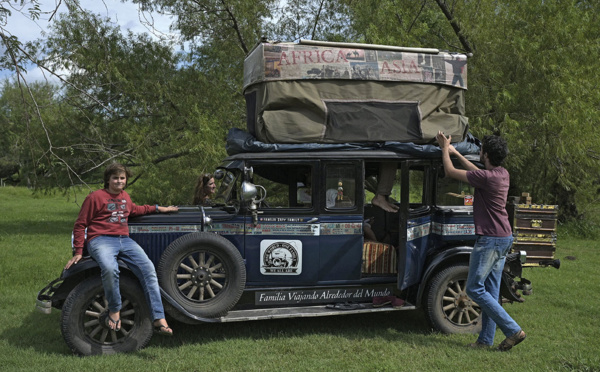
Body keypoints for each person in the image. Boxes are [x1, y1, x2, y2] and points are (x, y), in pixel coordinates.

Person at [436, 131, 526, 352]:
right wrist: (455, 151)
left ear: (484, 154)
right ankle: (485, 340)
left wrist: (443, 150)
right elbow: (476, 172)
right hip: (504, 237)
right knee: (491, 291)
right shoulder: (502, 174)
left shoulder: (487, 178)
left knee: (475, 289)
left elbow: (449, 171)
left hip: (490, 240)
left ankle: (513, 329)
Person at [64, 163, 178, 336]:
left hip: (124, 240)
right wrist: (79, 251)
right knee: (110, 268)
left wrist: (158, 208)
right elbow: (80, 225)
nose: (119, 181)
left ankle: (159, 318)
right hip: (100, 240)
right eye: (115, 178)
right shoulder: (95, 197)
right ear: (108, 180)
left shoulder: (125, 197)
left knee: (148, 269)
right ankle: (114, 309)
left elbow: (135, 210)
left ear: (126, 180)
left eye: (122, 178)